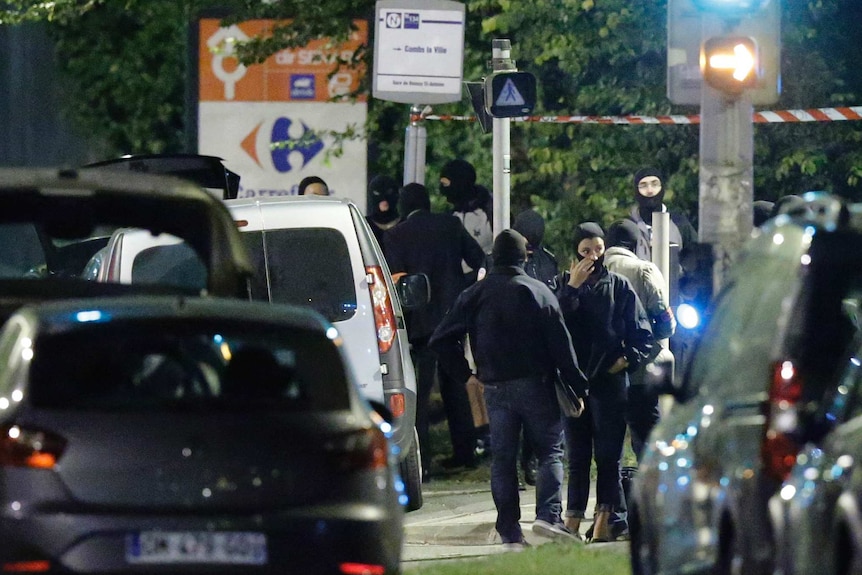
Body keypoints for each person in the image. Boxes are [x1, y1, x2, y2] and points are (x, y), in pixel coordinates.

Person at [429, 229, 589, 551]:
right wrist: (578, 385)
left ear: (493, 257)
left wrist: (466, 375)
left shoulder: (474, 294)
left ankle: (510, 533)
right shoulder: (538, 292)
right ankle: (548, 516)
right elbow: (561, 345)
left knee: (503, 459)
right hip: (536, 385)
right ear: (525, 256)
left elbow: (440, 340)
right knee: (550, 451)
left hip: (495, 388)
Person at [555, 222, 654, 542]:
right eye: (586, 251)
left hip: (609, 382)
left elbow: (642, 333)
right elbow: (555, 326)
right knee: (577, 454)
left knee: (609, 455)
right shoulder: (562, 285)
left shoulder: (619, 286)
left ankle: (604, 518)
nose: (594, 257)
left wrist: (627, 359)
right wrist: (572, 287)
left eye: (598, 250)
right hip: (574, 383)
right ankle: (572, 517)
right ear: (575, 253)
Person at [383, 183, 487, 478]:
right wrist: (465, 288)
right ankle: (465, 452)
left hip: (420, 324)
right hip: (453, 317)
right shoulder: (450, 225)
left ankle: (422, 462)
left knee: (421, 391)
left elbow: (395, 280)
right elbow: (481, 260)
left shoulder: (396, 235)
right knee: (456, 383)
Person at [604, 218, 676, 461]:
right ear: (635, 244)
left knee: (609, 451)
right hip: (642, 370)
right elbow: (665, 323)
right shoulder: (643, 269)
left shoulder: (590, 271)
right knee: (648, 443)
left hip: (603, 373)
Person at [512, 208, 560, 486]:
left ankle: (529, 461)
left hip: (538, 345)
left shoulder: (547, 262)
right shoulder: (501, 259)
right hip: (510, 344)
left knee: (535, 412)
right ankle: (515, 465)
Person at [439, 159, 494, 281]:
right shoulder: (451, 216)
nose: (443, 189)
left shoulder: (490, 212)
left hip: (485, 281)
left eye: (446, 184)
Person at [628, 167, 697, 262]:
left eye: (655, 184)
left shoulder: (679, 223)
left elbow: (697, 260)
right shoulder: (626, 226)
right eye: (643, 186)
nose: (650, 191)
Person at [366, 175, 400, 245]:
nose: (383, 198)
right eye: (377, 193)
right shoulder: (364, 225)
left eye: (388, 192)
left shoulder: (364, 225)